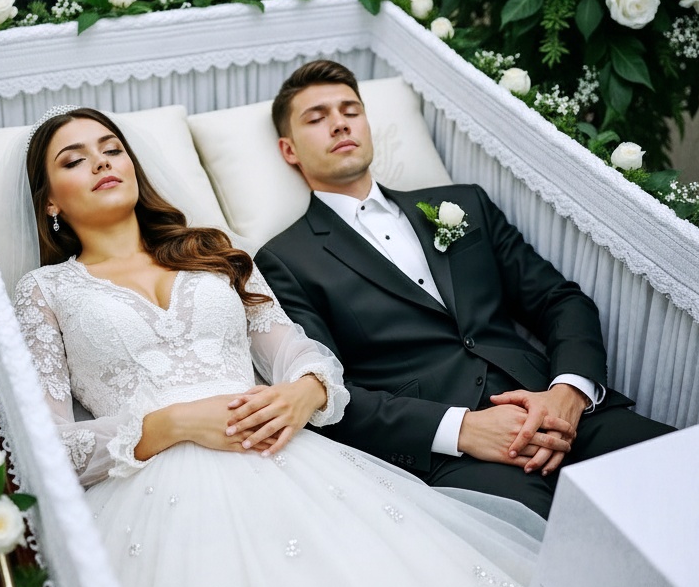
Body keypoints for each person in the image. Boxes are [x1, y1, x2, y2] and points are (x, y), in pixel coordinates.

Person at [11, 106, 659, 587]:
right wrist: (173, 424)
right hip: (159, 493)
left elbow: (296, 350)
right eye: (75, 159)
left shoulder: (211, 251)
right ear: (49, 202)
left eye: (112, 149)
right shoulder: (46, 291)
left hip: (288, 457)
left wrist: (306, 390)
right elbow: (49, 445)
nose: (102, 163)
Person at [255, 60, 673, 520]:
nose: (339, 123)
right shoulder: (284, 260)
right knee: (542, 546)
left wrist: (568, 393)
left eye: (350, 111)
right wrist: (462, 429)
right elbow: (327, 391)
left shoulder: (463, 202)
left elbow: (559, 301)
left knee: (690, 473)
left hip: (562, 412)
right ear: (289, 150)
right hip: (460, 456)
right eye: (316, 118)